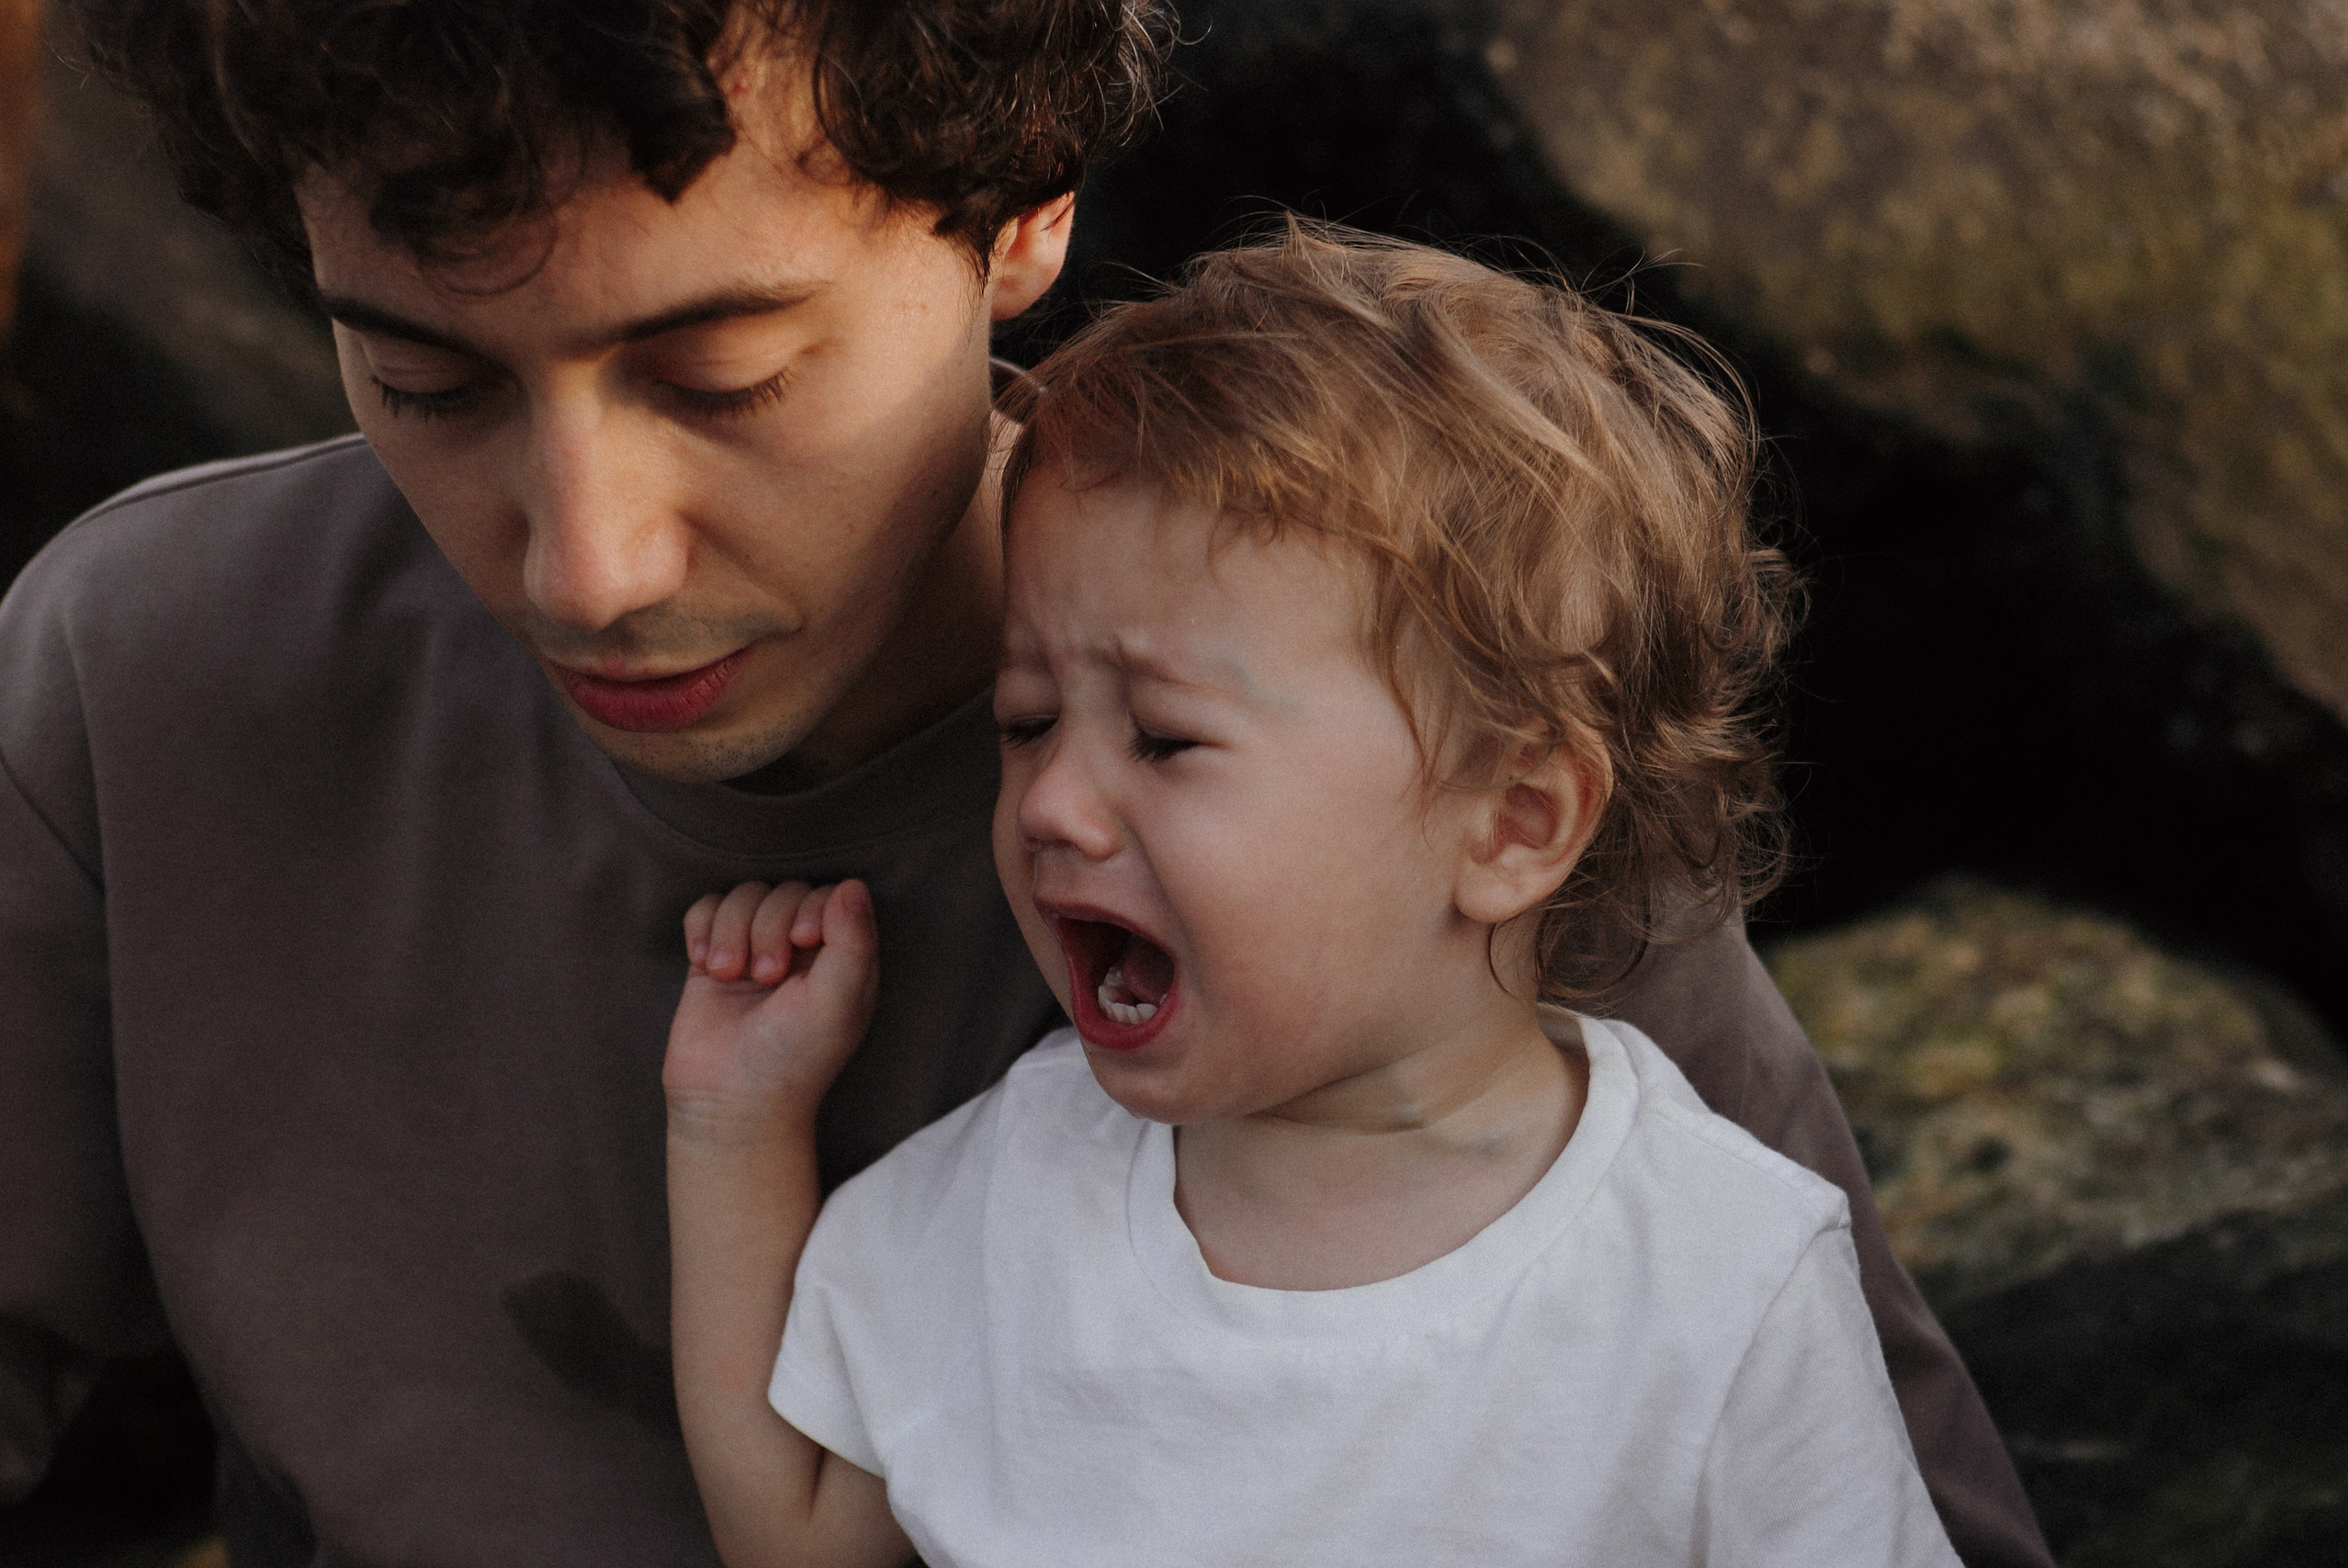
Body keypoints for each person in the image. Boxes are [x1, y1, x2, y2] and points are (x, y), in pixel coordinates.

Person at [0, 4, 2047, 1566]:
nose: (586, 565)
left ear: (1027, 206)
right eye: (428, 383)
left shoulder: (1430, 784)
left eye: (725, 377)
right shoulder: (144, 681)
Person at [660, 224, 1961, 1568]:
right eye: (1029, 721)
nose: (1050, 802)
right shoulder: (1003, 1204)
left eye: (1164, 738)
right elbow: (800, 1540)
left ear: (1513, 824)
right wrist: (729, 1131)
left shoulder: (1714, 1273)